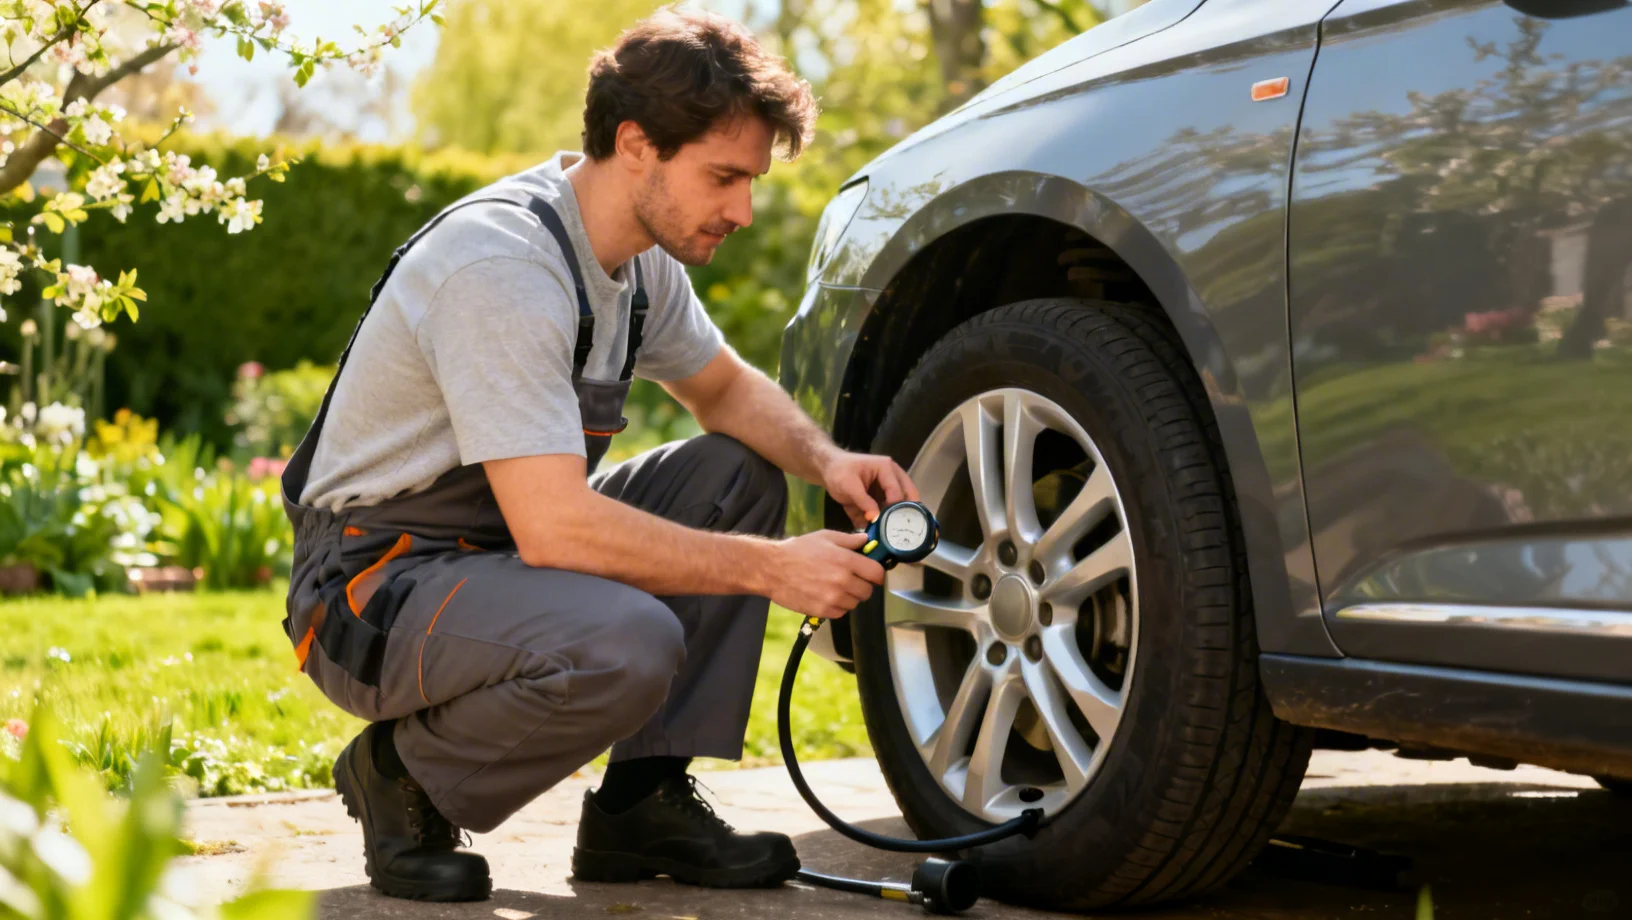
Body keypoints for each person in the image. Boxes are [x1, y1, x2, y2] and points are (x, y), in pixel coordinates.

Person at [277, 5, 920, 903]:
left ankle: (639, 808)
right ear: (636, 144)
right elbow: (554, 528)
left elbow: (725, 391)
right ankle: (404, 774)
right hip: (373, 586)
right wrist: (774, 571)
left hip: (491, 552)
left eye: (751, 182)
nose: (742, 209)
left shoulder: (637, 261)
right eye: (724, 177)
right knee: (628, 642)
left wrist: (831, 463)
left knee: (736, 475)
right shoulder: (501, 268)